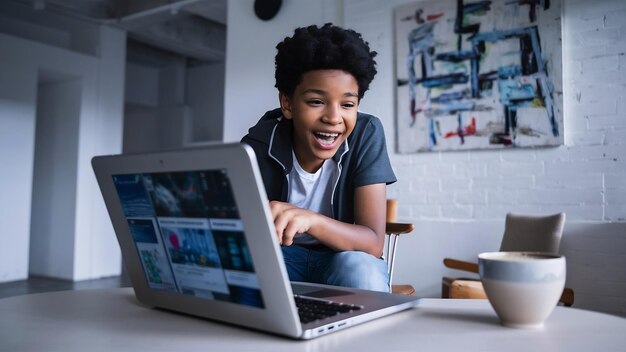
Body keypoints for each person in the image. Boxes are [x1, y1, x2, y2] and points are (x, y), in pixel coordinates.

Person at [241, 23, 395, 292]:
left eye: (348, 104)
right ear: (287, 103)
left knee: (361, 269)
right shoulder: (258, 144)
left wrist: (310, 220)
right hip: (283, 258)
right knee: (245, 267)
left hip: (342, 257)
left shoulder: (367, 133)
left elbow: (372, 242)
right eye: (316, 101)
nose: (333, 118)